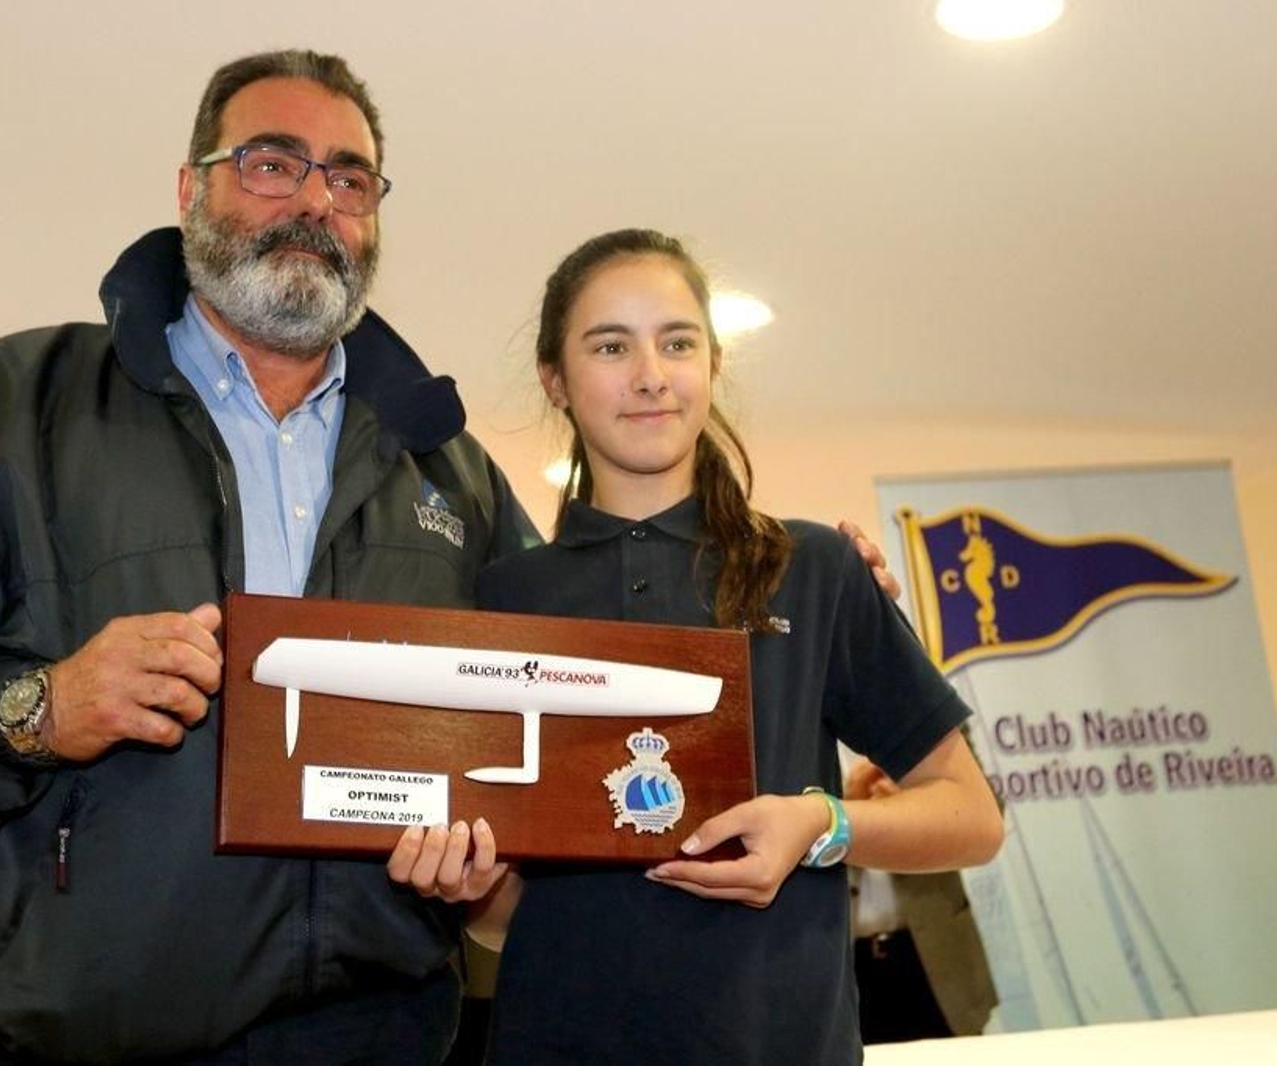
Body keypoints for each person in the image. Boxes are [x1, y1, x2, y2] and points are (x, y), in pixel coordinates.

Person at [0, 50, 540, 1064]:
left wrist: (484, 859)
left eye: (349, 178)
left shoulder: (453, 473)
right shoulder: (7, 406)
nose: (314, 200)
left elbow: (539, 731)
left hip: (381, 1035)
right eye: (272, 163)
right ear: (190, 189)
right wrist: (37, 706)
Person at [388, 228, 1004, 1063]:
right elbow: (514, 920)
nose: (649, 375)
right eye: (611, 346)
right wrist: (469, 888)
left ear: (712, 364)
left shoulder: (812, 568)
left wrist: (821, 825)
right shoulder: (505, 598)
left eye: (676, 343)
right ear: (555, 381)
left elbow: (971, 816)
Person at [845, 757, 999, 1042]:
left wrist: (913, 810)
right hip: (843, 962)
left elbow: (986, 815)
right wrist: (846, 812)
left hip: (935, 952)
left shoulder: (927, 715)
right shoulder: (794, 728)